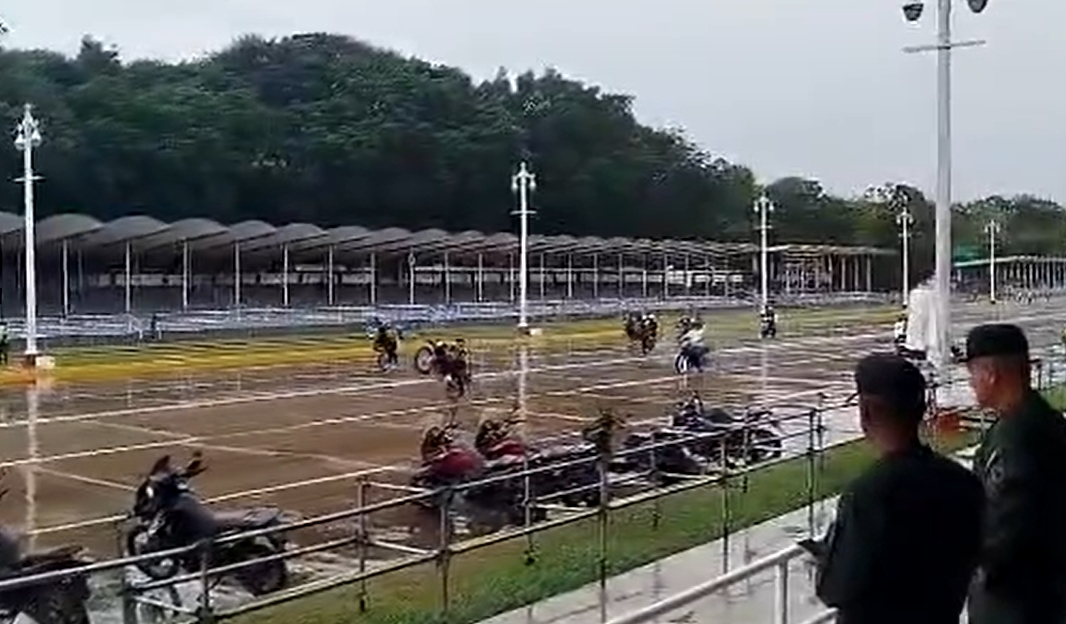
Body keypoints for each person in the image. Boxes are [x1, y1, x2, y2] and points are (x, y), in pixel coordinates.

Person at [804, 353, 984, 624]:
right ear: (922, 410)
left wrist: (825, 561)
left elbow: (835, 589)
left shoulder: (868, 495)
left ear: (866, 413)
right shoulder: (963, 482)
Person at [964, 324, 1066, 624]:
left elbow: (1001, 534)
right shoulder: (1045, 420)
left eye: (972, 372)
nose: (971, 383)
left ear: (991, 374)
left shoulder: (1015, 440)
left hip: (1017, 606)